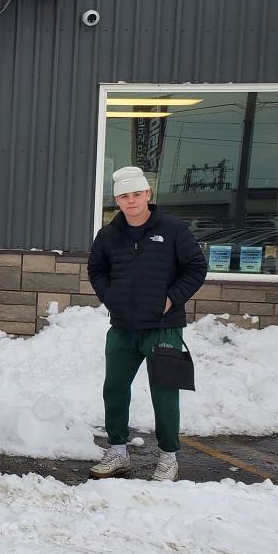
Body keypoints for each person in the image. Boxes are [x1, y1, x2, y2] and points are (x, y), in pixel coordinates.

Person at [86, 166, 207, 481]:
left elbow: (196, 267)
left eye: (136, 194)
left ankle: (168, 457)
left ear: (148, 195)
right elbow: (96, 268)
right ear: (117, 199)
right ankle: (118, 453)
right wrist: (109, 296)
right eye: (124, 196)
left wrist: (171, 299)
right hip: (123, 326)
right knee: (114, 388)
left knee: (164, 392)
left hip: (163, 326)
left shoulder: (173, 229)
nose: (131, 201)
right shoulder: (109, 235)